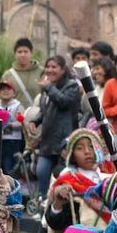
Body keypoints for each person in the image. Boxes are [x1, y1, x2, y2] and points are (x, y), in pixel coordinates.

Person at [26, 56, 81, 205]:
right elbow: (45, 110)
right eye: (48, 66)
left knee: (60, 177)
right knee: (42, 171)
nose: (50, 70)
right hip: (47, 141)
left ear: (63, 70)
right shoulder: (47, 87)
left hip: (64, 141)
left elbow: (63, 102)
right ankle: (43, 203)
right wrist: (35, 121)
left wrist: (49, 87)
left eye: (54, 67)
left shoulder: (72, 86)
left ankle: (59, 208)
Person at [0, 38, 45, 110]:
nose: (23, 55)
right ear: (15, 54)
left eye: (26, 51)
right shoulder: (8, 75)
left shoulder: (41, 72)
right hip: (14, 117)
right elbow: (1, 98)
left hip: (36, 116)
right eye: (19, 52)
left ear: (31, 53)